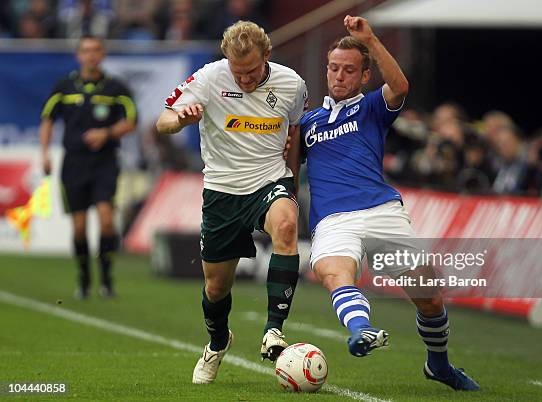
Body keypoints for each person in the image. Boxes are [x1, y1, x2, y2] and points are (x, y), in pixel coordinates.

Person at [297, 16, 480, 391]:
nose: (339, 76)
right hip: (333, 219)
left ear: (364, 76)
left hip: (381, 211)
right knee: (334, 273)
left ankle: (439, 366)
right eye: (333, 68)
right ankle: (361, 331)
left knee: (429, 298)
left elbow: (399, 86)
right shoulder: (307, 123)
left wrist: (371, 40)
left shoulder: (371, 108)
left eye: (349, 70)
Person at [156, 20, 308, 384]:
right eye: (237, 73)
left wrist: (292, 181)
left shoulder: (292, 84)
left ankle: (274, 330)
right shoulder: (209, 78)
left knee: (286, 225)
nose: (244, 80)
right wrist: (180, 119)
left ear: (267, 55)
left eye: (252, 71)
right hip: (222, 191)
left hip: (269, 181)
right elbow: (162, 121)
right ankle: (218, 342)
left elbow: (296, 129)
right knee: (215, 288)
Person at [39, 35, 137, 299]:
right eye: (86, 51)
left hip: (104, 162)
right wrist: (45, 153)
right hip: (74, 162)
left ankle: (106, 279)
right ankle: (84, 279)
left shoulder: (116, 88)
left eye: (95, 50)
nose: (91, 55)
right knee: (79, 227)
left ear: (102, 54)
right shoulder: (64, 87)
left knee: (106, 221)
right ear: (78, 55)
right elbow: (47, 119)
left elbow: (131, 120)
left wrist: (105, 133)